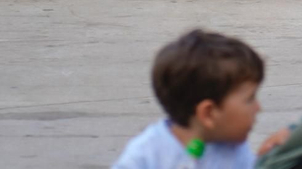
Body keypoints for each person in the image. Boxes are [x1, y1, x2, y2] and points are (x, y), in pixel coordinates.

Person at [114, 30, 290, 169]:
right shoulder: (146, 154)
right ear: (208, 113)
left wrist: (269, 160)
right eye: (250, 99)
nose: (259, 108)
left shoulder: (235, 149)